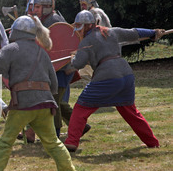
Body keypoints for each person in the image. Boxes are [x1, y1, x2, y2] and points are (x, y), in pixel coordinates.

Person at [0, 15, 82, 171]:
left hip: (22, 105)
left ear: (16, 31)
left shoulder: (11, 49)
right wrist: (48, 100)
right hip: (45, 104)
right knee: (53, 142)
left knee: (6, 141)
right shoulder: (41, 52)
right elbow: (54, 82)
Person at [64, 10, 162, 152]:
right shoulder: (111, 31)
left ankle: (72, 141)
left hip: (107, 77)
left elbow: (78, 64)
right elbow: (135, 32)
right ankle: (152, 142)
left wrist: (73, 57)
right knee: (130, 111)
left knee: (81, 108)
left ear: (87, 26)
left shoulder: (86, 42)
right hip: (126, 74)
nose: (77, 29)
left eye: (79, 26)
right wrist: (153, 32)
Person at [24, 0, 90, 141]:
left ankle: (55, 134)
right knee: (58, 102)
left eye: (39, 7)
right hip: (54, 69)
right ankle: (81, 127)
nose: (36, 10)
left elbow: (62, 46)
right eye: (35, 6)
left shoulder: (54, 20)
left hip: (62, 69)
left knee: (53, 102)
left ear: (46, 7)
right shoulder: (43, 21)